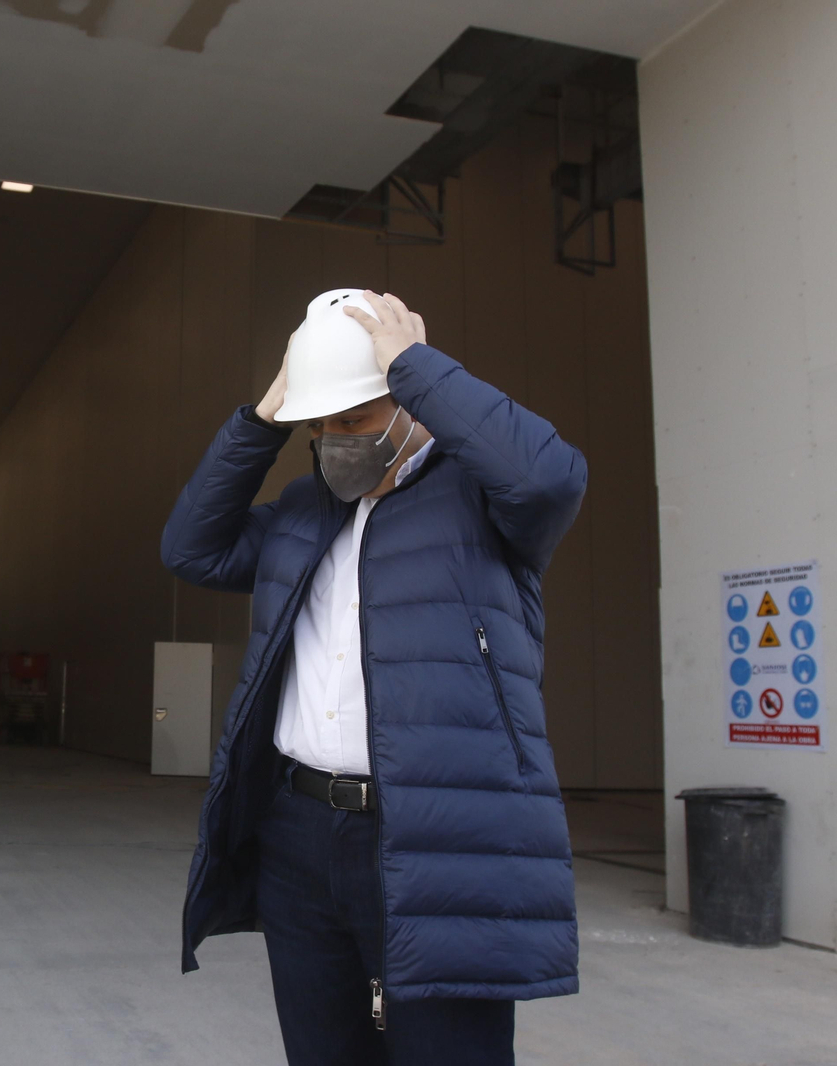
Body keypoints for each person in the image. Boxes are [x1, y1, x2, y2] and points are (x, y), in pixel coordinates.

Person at [161, 290, 586, 1065]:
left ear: (407, 405)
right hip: (300, 836)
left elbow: (549, 479)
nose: (334, 443)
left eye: (353, 422)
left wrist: (417, 367)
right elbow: (193, 548)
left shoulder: (484, 505)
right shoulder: (303, 510)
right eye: (317, 430)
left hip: (435, 837)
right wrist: (261, 422)